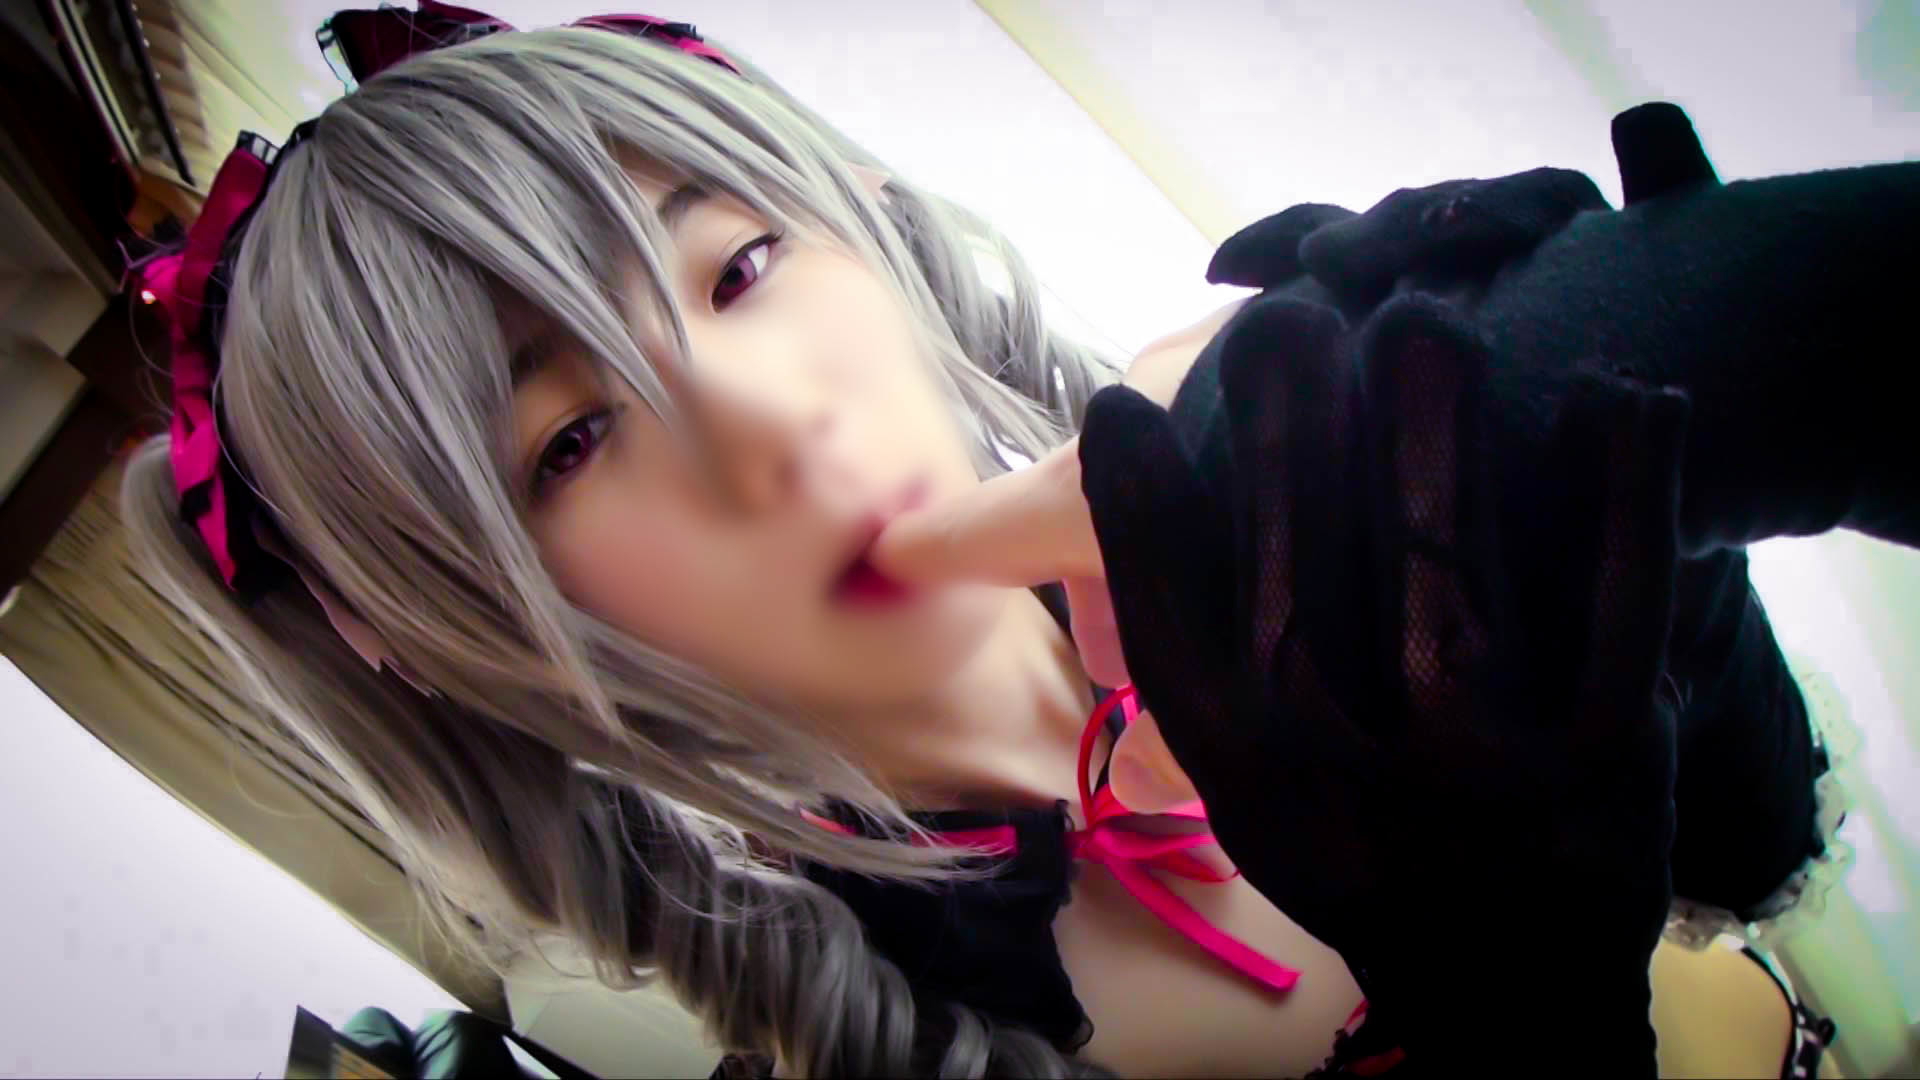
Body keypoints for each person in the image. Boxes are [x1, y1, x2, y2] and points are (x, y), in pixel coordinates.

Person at [121, 5, 1870, 1076]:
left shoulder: (1298, 461)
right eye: (569, 441)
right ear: (462, 634)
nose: (767, 423)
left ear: (873, 228)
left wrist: (1648, 508)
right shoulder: (906, 1040)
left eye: (740, 266)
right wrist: (1525, 1023)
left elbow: (1748, 835)